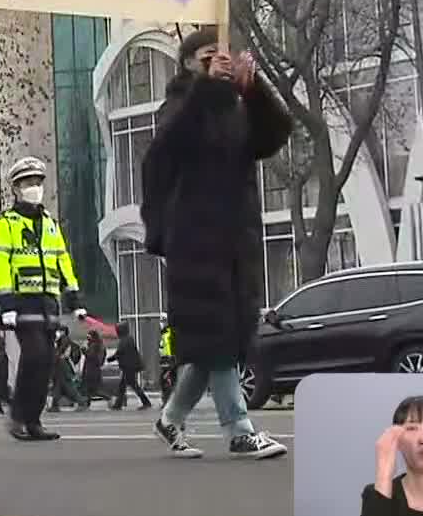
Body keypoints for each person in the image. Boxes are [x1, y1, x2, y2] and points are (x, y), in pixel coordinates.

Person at [141, 26, 289, 461]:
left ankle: (170, 418)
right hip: (194, 238)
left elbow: (273, 135)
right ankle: (239, 429)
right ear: (189, 63)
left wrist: (254, 88)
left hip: (235, 238)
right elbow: (171, 145)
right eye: (208, 56)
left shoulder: (234, 109)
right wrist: (207, 88)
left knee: (215, 342)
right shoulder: (179, 107)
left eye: (223, 55)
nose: (218, 63)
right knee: (218, 332)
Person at [0, 156, 84, 443]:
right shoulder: (3, 225)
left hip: (48, 303)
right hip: (22, 303)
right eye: (29, 183)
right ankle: (19, 416)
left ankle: (33, 420)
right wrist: (6, 307)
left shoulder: (50, 225)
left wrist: (75, 300)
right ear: (16, 188)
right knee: (35, 355)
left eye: (38, 182)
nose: (35, 188)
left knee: (46, 361)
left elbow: (62, 262)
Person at [110, 324, 153, 410]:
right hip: (129, 367)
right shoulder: (128, 339)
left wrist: (110, 359)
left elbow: (119, 352)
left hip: (129, 367)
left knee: (133, 386)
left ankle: (146, 402)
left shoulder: (125, 340)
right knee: (123, 386)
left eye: (118, 330)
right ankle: (118, 405)